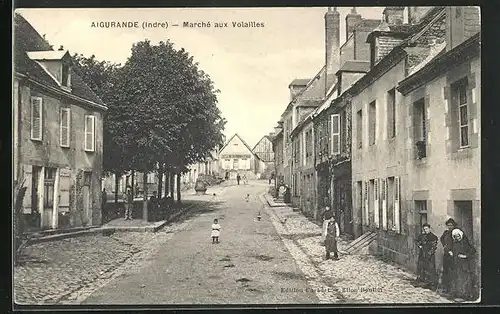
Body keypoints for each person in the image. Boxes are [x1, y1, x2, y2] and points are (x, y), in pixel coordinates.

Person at [451, 228, 476, 300]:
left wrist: (465, 256)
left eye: (458, 236)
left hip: (465, 264)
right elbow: (455, 252)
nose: (457, 238)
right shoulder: (455, 243)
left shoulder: (465, 242)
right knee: (459, 279)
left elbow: (473, 250)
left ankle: (468, 295)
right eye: (455, 236)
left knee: (466, 278)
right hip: (457, 264)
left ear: (461, 235)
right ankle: (461, 294)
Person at [415, 223, 439, 289]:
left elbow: (434, 246)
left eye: (427, 229)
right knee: (421, 266)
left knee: (430, 267)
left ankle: (431, 282)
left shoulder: (433, 236)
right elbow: (417, 241)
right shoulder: (421, 236)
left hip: (429, 255)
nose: (425, 230)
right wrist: (419, 245)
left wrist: (429, 253)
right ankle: (422, 280)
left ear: (429, 229)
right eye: (424, 229)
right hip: (422, 253)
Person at [440, 218, 458, 293]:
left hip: (453, 255)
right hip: (446, 254)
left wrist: (453, 251)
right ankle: (446, 288)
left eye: (451, 225)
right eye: (448, 225)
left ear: (454, 225)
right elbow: (441, 239)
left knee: (452, 271)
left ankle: (453, 289)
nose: (450, 227)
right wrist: (444, 245)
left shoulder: (455, 232)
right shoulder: (446, 232)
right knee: (446, 271)